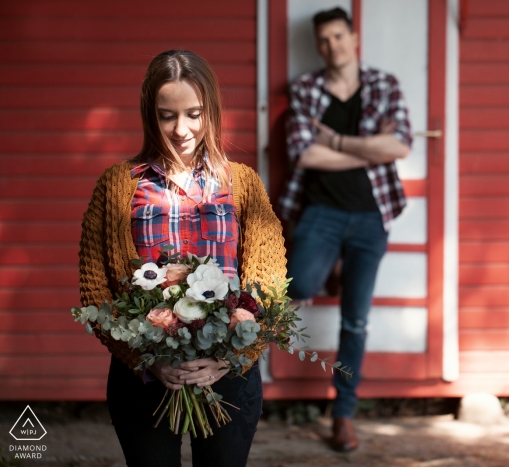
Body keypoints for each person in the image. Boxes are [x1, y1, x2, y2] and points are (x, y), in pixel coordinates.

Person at [78, 50, 286, 467]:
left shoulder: (242, 184)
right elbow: (96, 290)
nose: (181, 129)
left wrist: (231, 359)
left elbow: (269, 284)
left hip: (228, 375)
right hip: (144, 379)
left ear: (211, 109)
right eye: (166, 115)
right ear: (149, 115)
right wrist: (147, 360)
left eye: (194, 113)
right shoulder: (119, 185)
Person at [278, 7, 412, 452]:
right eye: (324, 40)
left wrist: (332, 140)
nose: (332, 46)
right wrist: (371, 150)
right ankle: (327, 269)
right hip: (321, 210)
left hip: (372, 216)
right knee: (298, 285)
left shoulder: (384, 84)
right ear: (317, 46)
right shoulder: (306, 88)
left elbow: (400, 145)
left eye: (339, 36)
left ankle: (343, 414)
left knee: (356, 321)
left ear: (354, 38)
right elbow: (304, 154)